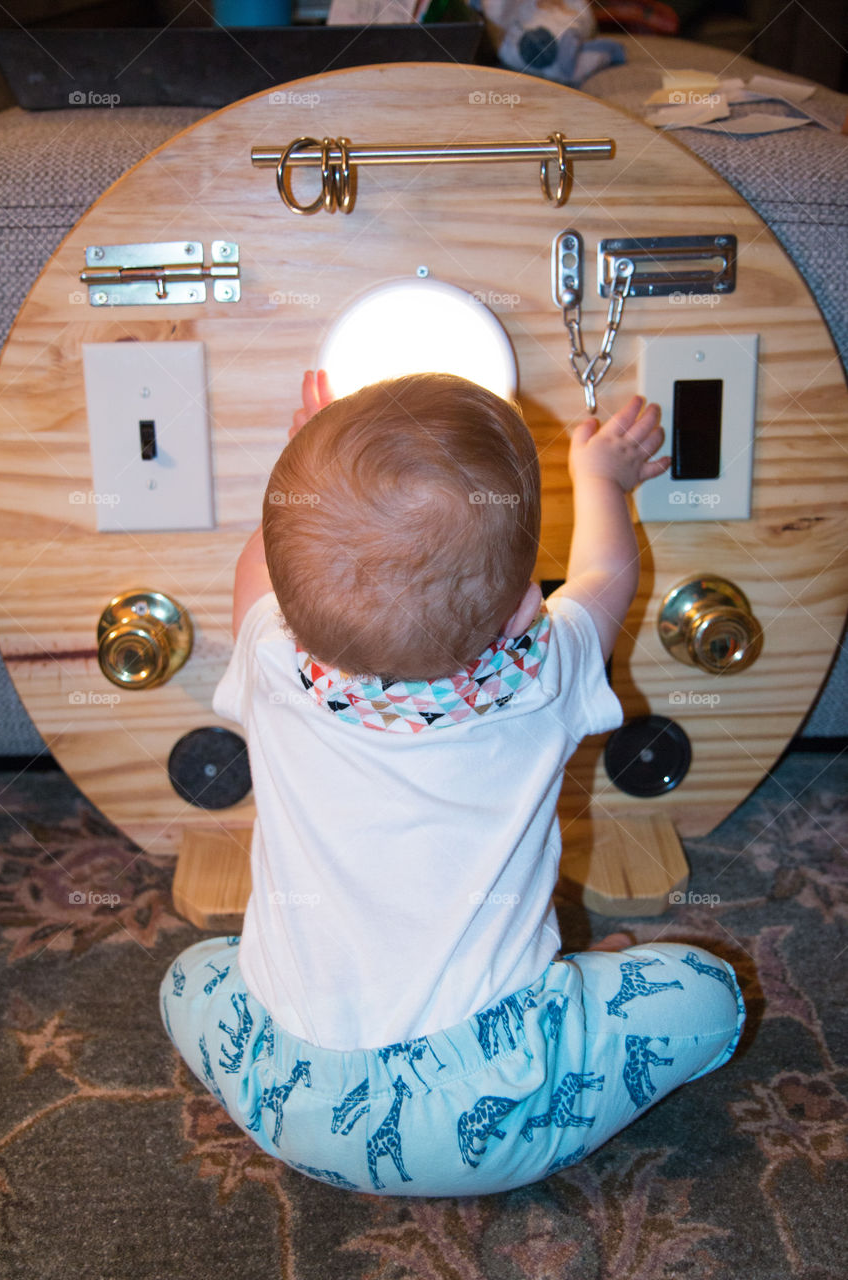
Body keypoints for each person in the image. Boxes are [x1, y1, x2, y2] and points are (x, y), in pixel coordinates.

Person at [160, 371, 745, 1197]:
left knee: (187, 976)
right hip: (493, 1109)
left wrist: (309, 455)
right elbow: (607, 574)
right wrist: (600, 479)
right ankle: (577, 1002)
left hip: (285, 1096)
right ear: (522, 606)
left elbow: (259, 561)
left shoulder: (268, 660)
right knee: (709, 993)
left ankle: (566, 999)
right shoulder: (542, 671)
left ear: (291, 597)